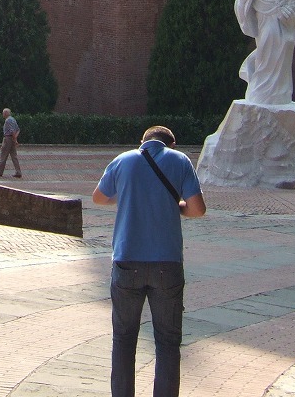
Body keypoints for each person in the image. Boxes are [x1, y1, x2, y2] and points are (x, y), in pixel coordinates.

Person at [93, 126, 206, 397]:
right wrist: (174, 205)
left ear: (142, 142)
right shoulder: (180, 161)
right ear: (172, 144)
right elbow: (197, 209)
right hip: (167, 263)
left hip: (126, 260)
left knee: (123, 339)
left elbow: (98, 197)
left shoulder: (122, 160)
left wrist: (129, 198)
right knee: (167, 342)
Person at [233, 0, 295, 105]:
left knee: (280, 59)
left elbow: (293, 13)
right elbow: (241, 7)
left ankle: (279, 93)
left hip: (283, 32)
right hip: (265, 29)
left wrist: (288, 16)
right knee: (264, 58)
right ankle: (261, 91)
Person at [0, 107, 22, 178]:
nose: (2, 114)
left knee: (3, 155)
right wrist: (15, 139)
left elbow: (12, 131)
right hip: (12, 139)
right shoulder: (13, 119)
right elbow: (18, 130)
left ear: (5, 113)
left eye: (3, 113)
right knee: (14, 156)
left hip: (8, 138)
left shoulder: (7, 120)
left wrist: (14, 139)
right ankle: (18, 172)